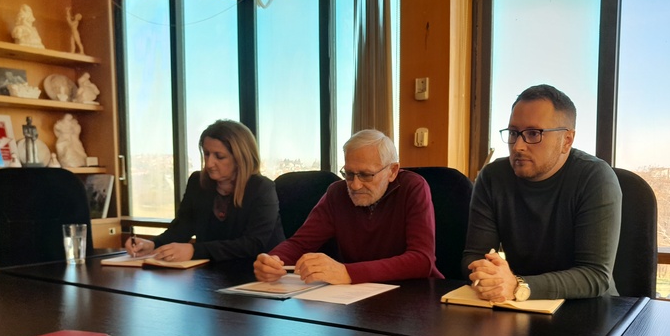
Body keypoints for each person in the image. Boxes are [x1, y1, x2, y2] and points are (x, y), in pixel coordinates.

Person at [463, 84, 622, 301]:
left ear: (567, 140)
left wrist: (519, 286)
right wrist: (488, 275)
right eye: (513, 133)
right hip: (517, 307)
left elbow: (595, 275)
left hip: (589, 309)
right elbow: (474, 256)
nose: (518, 146)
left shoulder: (595, 178)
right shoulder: (492, 177)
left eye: (533, 133)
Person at [254, 129, 442, 284]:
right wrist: (273, 261)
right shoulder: (337, 193)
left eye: (366, 175)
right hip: (358, 296)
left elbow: (422, 260)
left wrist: (347, 273)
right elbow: (300, 244)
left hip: (416, 294)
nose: (355, 185)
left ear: (392, 171)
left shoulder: (413, 187)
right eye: (349, 174)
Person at [126, 119, 284, 262]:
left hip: (258, 272)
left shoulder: (262, 188)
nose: (209, 163)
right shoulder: (198, 182)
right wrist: (153, 244)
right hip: (210, 273)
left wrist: (194, 251)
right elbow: (181, 229)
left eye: (219, 156)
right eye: (206, 154)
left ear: (240, 158)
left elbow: (253, 244)